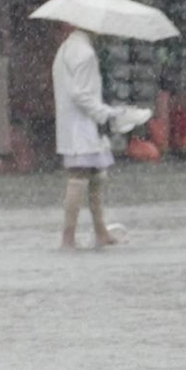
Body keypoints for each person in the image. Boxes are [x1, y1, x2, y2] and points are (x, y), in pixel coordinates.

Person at [53, 26, 145, 249]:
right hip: (83, 126)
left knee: (96, 174)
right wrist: (107, 114)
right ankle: (68, 237)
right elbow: (81, 94)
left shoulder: (66, 48)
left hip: (76, 124)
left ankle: (100, 231)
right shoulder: (85, 54)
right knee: (79, 176)